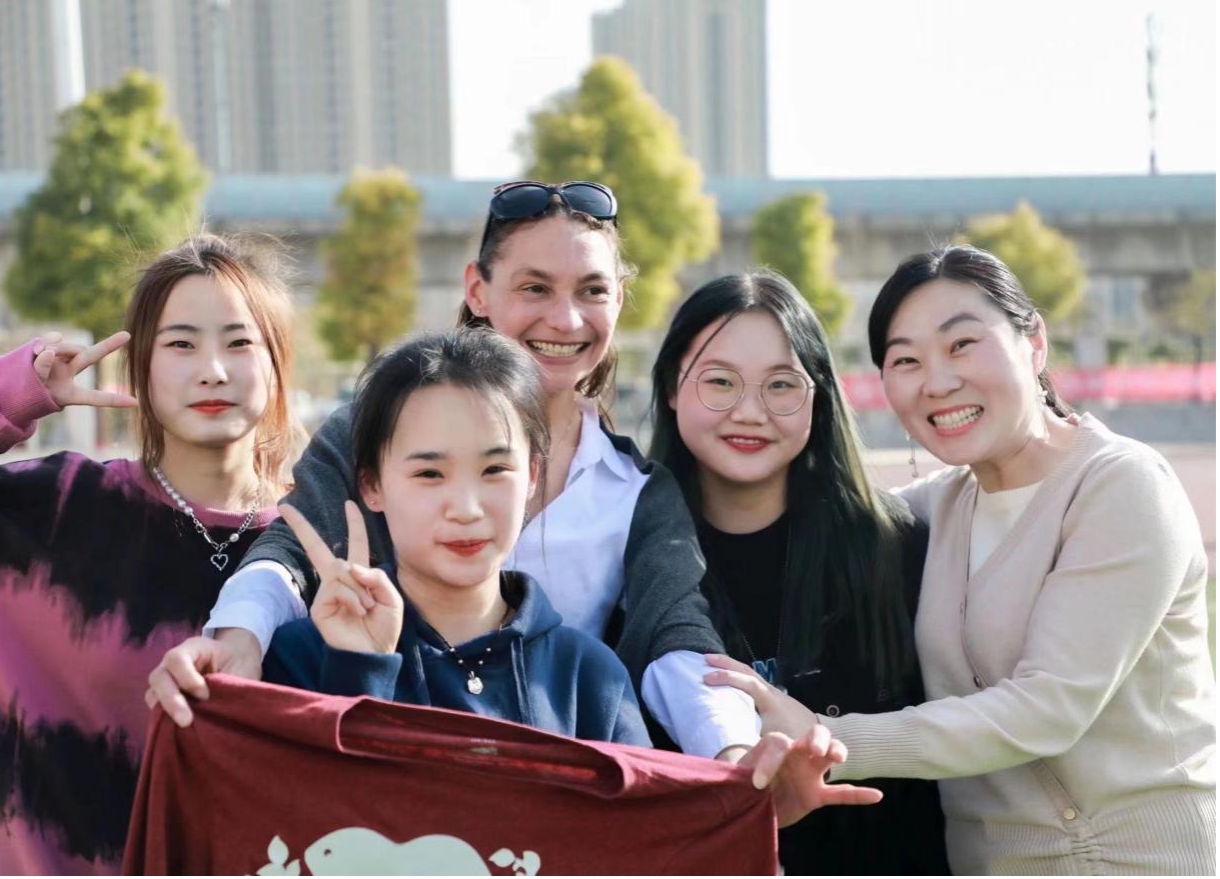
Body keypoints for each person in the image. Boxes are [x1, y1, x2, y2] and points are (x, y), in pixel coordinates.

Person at [149, 181, 759, 761]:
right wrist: (239, 638)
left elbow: (676, 638)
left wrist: (737, 754)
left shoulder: (636, 494)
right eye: (535, 288)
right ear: (477, 291)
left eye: (593, 291)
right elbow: (293, 548)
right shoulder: (373, 429)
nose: (566, 320)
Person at [709, 245, 1216, 875]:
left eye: (962, 345)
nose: (938, 381)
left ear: (1034, 342)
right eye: (906, 360)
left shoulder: (1121, 485)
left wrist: (824, 735)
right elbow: (809, 527)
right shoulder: (938, 506)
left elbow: (1047, 708)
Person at [0, 233, 300, 874]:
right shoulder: (25, 520)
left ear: (278, 364)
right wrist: (6, 394)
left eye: (239, 342)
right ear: (139, 366)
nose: (213, 370)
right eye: (181, 344)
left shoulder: (317, 559)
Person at [650, 270, 948, 874]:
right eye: (720, 382)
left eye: (781, 385)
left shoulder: (895, 547)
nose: (750, 412)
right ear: (672, 388)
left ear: (819, 396)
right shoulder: (633, 562)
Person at [262, 328, 650, 745]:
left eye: (495, 470)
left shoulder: (589, 677)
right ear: (372, 485)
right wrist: (360, 670)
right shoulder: (302, 658)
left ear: (533, 475)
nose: (466, 509)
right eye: (430, 474)